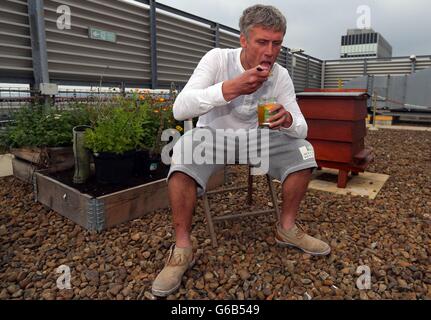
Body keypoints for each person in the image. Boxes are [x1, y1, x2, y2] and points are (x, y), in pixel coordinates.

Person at [151, 4, 331, 298]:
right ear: (243, 40)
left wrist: (287, 120)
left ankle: (286, 228)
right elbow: (180, 108)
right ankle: (182, 247)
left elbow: (302, 127)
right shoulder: (218, 60)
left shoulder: (280, 75)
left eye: (277, 43)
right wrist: (228, 88)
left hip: (258, 139)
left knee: (303, 151)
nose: (270, 51)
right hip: (214, 135)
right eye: (262, 42)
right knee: (181, 152)